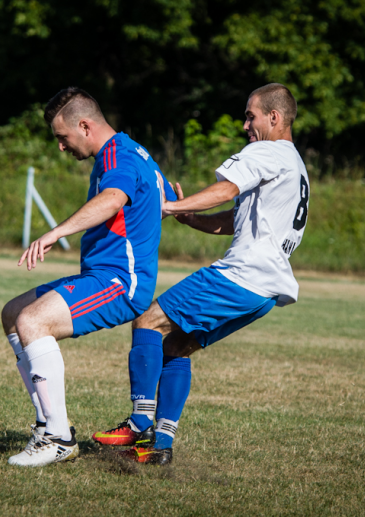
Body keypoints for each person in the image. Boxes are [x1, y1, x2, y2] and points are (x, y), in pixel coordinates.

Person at [92, 83, 310, 465]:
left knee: (148, 317)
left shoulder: (265, 151)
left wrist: (171, 205)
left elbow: (226, 190)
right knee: (176, 345)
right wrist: (191, 217)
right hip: (266, 292)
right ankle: (160, 446)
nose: (246, 124)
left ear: (274, 118)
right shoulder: (294, 164)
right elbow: (235, 218)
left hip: (243, 275)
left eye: (250, 115)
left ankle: (140, 419)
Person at [1, 87, 176, 467]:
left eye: (62, 137)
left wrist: (56, 231)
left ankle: (58, 438)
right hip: (102, 275)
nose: (61, 147)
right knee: (14, 312)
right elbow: (163, 202)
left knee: (32, 321)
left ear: (84, 125)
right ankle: (48, 422)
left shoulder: (118, 156)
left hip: (119, 283)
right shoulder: (137, 152)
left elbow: (114, 198)